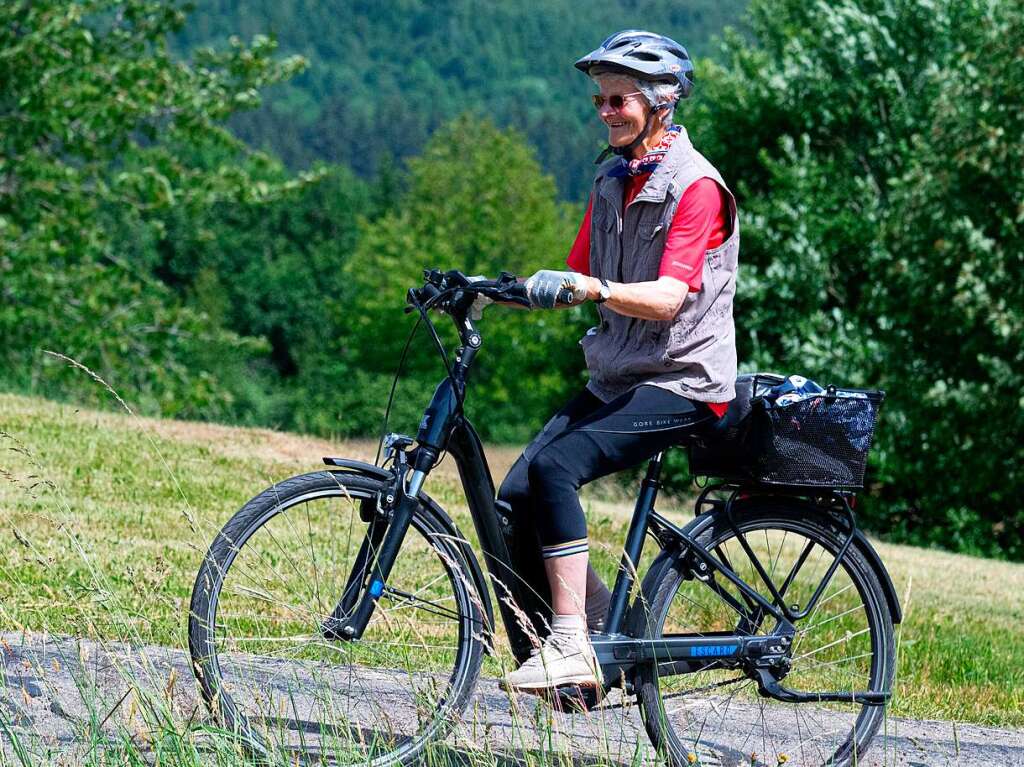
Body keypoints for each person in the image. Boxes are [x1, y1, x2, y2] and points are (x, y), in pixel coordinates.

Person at [497, 29, 740, 694]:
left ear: (661, 103)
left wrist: (597, 290)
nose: (605, 112)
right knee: (514, 498)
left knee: (555, 466)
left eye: (618, 101)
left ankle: (573, 643)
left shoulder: (698, 188)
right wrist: (481, 290)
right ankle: (594, 659)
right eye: (599, 101)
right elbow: (572, 275)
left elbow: (665, 299)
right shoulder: (613, 180)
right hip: (620, 373)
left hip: (683, 379)